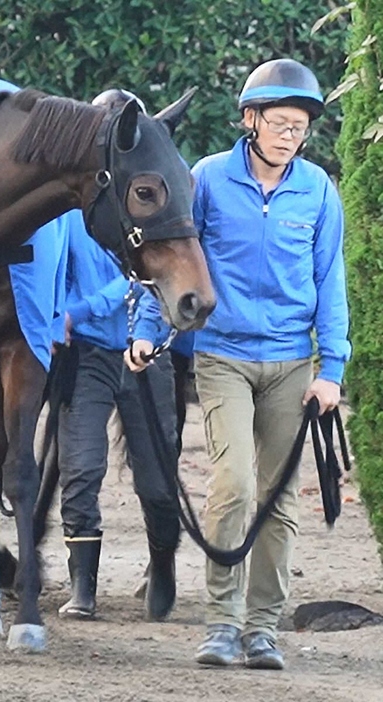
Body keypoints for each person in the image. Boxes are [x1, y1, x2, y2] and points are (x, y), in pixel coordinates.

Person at [189, 58, 350, 669]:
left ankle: (262, 629)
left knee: (279, 498)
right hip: (223, 355)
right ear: (250, 119)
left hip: (291, 362)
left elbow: (329, 281)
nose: (291, 134)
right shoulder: (206, 179)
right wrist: (151, 331)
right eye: (280, 122)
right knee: (234, 485)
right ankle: (221, 624)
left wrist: (330, 367)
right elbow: (177, 260)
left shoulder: (318, 190)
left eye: (300, 126)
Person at [55, 88, 181, 623]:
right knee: (81, 466)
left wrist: (86, 314)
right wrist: (59, 318)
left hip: (143, 352)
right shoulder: (70, 209)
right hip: (87, 358)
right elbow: (51, 273)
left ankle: (163, 565)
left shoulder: (151, 198)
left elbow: (148, 282)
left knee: (156, 474)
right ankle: (82, 583)